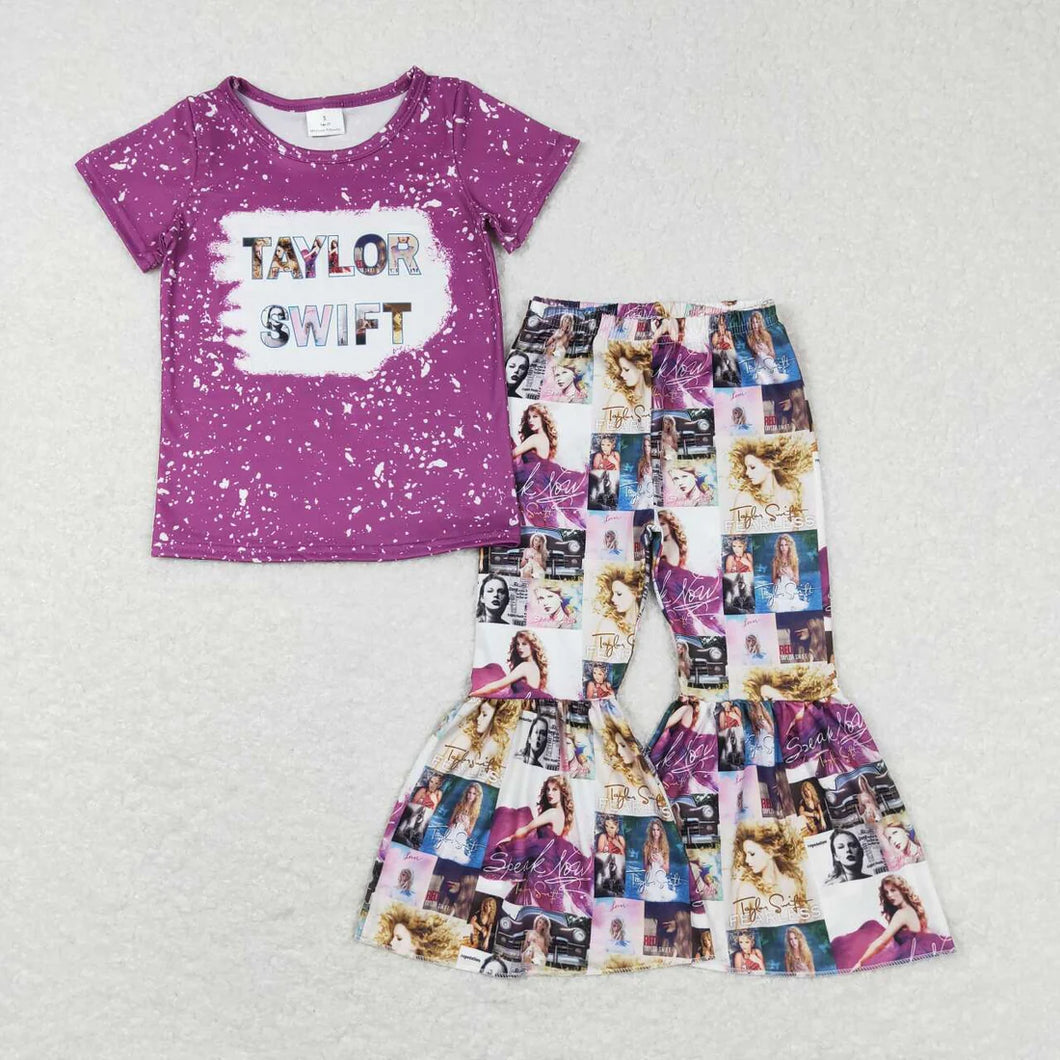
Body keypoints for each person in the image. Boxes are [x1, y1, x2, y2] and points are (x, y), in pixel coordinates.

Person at [469, 630, 549, 698]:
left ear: (533, 646)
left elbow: (497, 686)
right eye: (517, 644)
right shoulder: (534, 666)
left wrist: (473, 694)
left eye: (524, 644)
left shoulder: (525, 666)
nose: (519, 647)